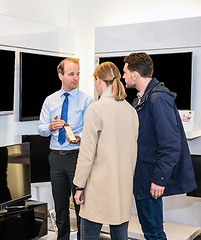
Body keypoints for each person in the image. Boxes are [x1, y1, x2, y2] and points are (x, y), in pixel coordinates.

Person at [123, 52, 197, 240]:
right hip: (143, 177)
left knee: (154, 233)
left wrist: (159, 179)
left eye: (125, 72)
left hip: (150, 178)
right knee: (150, 230)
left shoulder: (158, 99)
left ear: (134, 75)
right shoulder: (142, 99)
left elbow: (171, 145)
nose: (123, 76)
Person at [73, 61, 139, 240]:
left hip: (98, 188)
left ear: (98, 80)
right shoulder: (130, 110)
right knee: (120, 236)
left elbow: (87, 154)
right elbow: (133, 153)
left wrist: (79, 185)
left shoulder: (96, 109)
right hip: (122, 187)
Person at [38, 58, 93, 240]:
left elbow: (91, 129)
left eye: (78, 74)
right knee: (60, 207)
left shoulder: (86, 100)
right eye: (71, 74)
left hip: (77, 157)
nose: (75, 78)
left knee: (80, 207)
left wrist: (81, 138)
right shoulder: (50, 100)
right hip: (56, 158)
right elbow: (41, 128)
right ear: (60, 75)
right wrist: (50, 127)